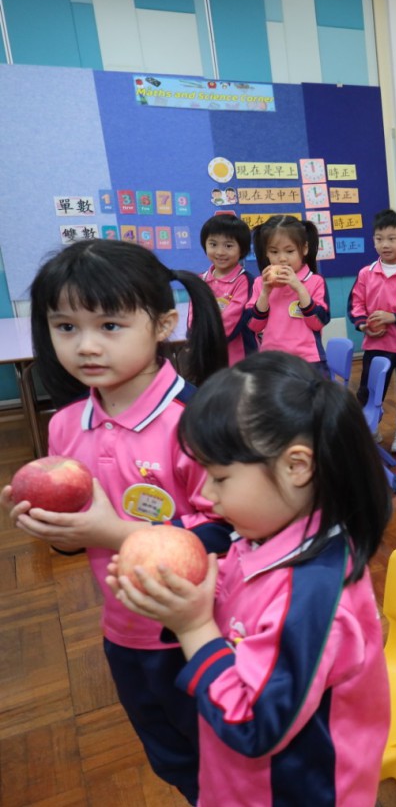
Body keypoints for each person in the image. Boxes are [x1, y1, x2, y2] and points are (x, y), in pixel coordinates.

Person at [106, 351, 391, 805]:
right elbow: (239, 609)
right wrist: (177, 594)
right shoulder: (259, 537)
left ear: (297, 467)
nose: (204, 494)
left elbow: (253, 724)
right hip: (240, 779)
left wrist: (193, 627)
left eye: (219, 478)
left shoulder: (315, 599)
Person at [2, 240, 230, 804]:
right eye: (65, 327)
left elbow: (230, 534)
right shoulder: (65, 425)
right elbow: (78, 539)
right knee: (171, 756)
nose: (85, 346)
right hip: (123, 629)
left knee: (226, 758)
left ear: (164, 324)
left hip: (203, 630)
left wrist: (112, 532)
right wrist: (54, 530)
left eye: (109, 325)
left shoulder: (197, 423)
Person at [348, 209, 396, 454]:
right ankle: (370, 426)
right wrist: (363, 325)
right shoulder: (366, 273)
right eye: (379, 239)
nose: (385, 244)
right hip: (375, 346)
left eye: (392, 238)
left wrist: (393, 318)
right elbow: (355, 304)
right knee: (370, 390)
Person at [247, 215, 329, 369]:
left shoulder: (315, 281)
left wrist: (299, 288)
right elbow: (254, 325)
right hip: (271, 361)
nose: (282, 259)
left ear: (304, 249)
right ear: (266, 253)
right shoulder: (260, 283)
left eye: (290, 251)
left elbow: (318, 323)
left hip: (308, 360)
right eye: (274, 252)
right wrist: (265, 293)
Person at [199, 213, 256, 364]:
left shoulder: (245, 281)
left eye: (228, 246)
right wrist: (195, 336)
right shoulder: (201, 280)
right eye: (213, 244)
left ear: (242, 249)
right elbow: (194, 315)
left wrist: (207, 339)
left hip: (240, 359)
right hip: (208, 356)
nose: (220, 252)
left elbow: (233, 318)